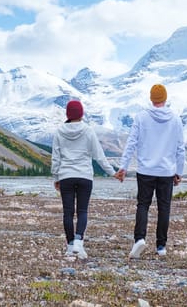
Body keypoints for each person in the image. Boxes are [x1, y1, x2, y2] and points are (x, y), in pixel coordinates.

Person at [115, 84, 185, 258]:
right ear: (165, 98)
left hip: (145, 170)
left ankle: (139, 239)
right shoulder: (176, 119)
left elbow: (131, 143)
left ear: (152, 98)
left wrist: (123, 167)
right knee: (164, 208)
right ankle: (161, 246)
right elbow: (180, 149)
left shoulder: (141, 117)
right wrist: (179, 172)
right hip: (167, 171)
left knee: (143, 205)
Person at [51, 100, 117, 259]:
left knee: (68, 212)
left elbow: (56, 158)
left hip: (66, 175)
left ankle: (70, 245)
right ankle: (79, 240)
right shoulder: (88, 131)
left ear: (68, 114)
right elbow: (99, 156)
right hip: (85, 176)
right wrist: (112, 172)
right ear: (81, 114)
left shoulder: (59, 131)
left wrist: (56, 177)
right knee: (82, 211)